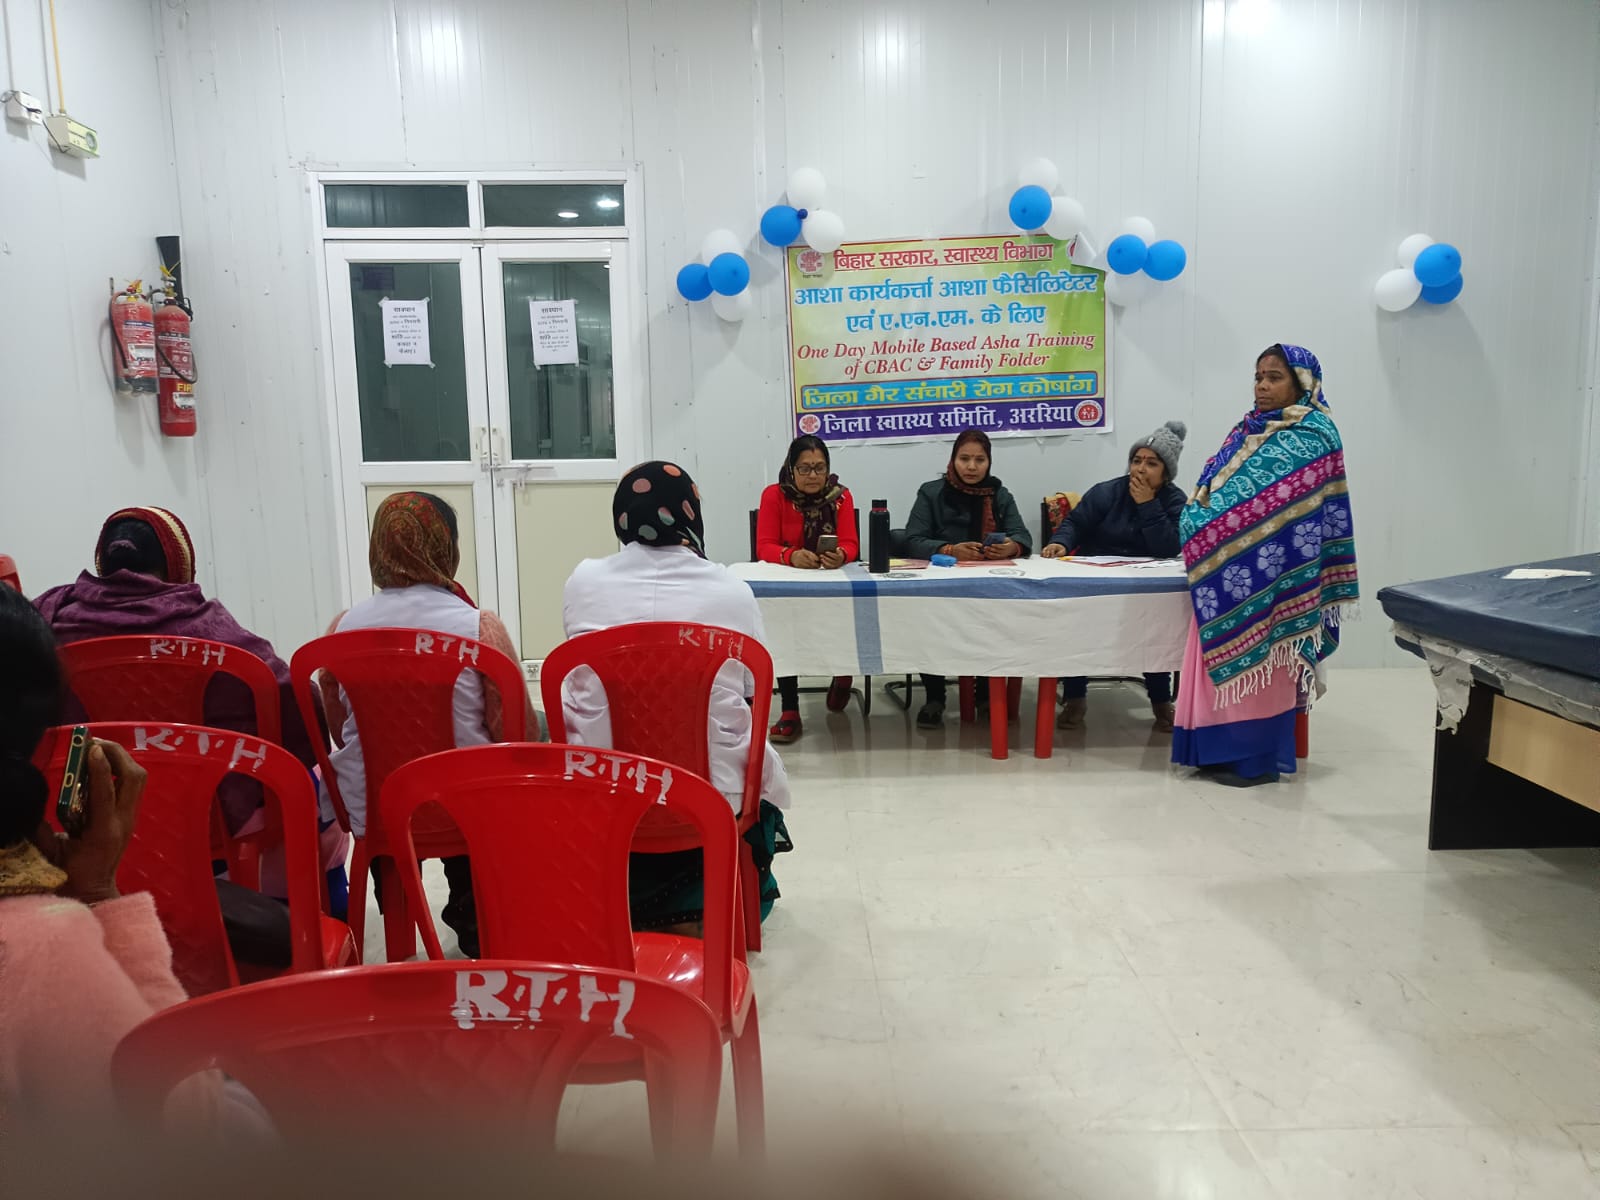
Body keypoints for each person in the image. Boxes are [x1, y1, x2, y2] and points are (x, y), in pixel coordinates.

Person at [33, 507, 346, 913]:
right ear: (178, 563)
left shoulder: (47, 626)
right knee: (319, 790)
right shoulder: (216, 634)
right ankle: (324, 920)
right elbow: (296, 711)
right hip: (213, 825)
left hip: (86, 819)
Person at [0, 585, 232, 1130]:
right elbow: (191, 1121)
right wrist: (99, 894)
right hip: (223, 836)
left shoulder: (62, 611)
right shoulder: (38, 947)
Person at [562, 462, 793, 932]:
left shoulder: (584, 581)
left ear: (623, 515)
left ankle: (619, 897)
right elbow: (753, 693)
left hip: (604, 788)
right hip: (712, 794)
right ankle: (725, 896)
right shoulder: (731, 590)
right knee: (752, 751)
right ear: (690, 512)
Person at [320, 491, 531, 956]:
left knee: (385, 808)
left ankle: (398, 923)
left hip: (378, 808)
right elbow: (512, 731)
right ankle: (475, 921)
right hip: (465, 806)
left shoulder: (341, 629)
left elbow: (338, 727)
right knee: (484, 793)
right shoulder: (478, 627)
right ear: (446, 548)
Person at [1173, 344, 1359, 786]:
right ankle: (1212, 753)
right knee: (1215, 662)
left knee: (1267, 666)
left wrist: (1218, 528)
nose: (1262, 386)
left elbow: (1280, 508)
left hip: (1278, 581)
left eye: (1274, 377)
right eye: (1258, 377)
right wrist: (1200, 524)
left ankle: (1253, 761)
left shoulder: (1314, 435)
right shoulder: (1245, 430)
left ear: (1301, 382)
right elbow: (1213, 488)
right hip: (1220, 572)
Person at [1042, 421, 1188, 732]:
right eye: (1136, 460)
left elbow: (1168, 547)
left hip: (1146, 586)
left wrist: (1148, 505)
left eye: (1151, 463)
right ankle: (1075, 697)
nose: (1141, 469)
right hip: (1097, 582)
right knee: (1076, 627)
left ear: (1166, 473)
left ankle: (1161, 701)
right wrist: (1061, 542)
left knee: (1156, 631)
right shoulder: (1107, 491)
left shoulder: (1175, 501)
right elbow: (1075, 523)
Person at [900, 428, 1032, 728]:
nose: (971, 467)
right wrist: (950, 549)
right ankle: (935, 697)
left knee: (991, 626)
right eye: (964, 459)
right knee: (928, 625)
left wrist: (1011, 546)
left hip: (987, 587)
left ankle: (985, 695)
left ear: (989, 462)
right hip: (938, 588)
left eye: (979, 460)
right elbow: (912, 540)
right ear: (953, 459)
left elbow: (1023, 537)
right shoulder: (931, 493)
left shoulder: (999, 494)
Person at [756, 435, 859, 744]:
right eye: (805, 468)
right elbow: (764, 546)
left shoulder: (841, 496)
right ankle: (790, 708)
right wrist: (790, 555)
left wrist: (841, 554)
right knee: (784, 627)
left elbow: (851, 543)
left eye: (819, 467)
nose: (813, 475)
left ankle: (843, 674)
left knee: (846, 617)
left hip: (831, 583)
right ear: (792, 469)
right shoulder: (774, 495)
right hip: (790, 585)